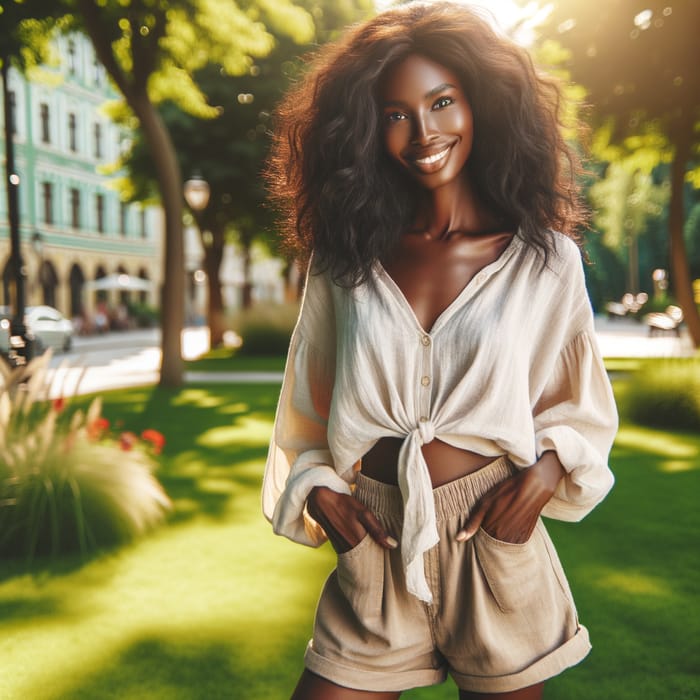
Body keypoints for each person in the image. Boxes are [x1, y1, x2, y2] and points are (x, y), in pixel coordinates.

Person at [262, 3, 618, 699]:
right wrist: (322, 496)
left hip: (492, 535)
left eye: (442, 102)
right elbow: (306, 409)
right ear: (367, 128)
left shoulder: (546, 262)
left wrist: (546, 474)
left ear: (480, 105)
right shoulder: (345, 261)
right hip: (375, 539)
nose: (423, 131)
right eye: (396, 114)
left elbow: (580, 408)